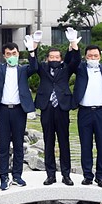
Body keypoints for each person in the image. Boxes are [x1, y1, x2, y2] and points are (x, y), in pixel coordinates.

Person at [65, 27, 102, 188]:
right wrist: (73, 46)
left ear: (100, 56)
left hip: (101, 112)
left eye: (95, 56)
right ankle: (87, 175)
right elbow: (72, 61)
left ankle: (101, 177)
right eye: (90, 56)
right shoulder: (81, 68)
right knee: (85, 145)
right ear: (86, 56)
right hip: (84, 111)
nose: (93, 58)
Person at [0, 31, 40, 191]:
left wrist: (32, 51)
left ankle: (17, 176)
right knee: (3, 146)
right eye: (8, 54)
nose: (11, 56)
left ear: (18, 53)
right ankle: (4, 177)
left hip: (19, 111)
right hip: (2, 110)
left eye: (14, 53)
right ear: (4, 55)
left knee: (18, 145)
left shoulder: (23, 70)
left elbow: (35, 67)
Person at [31, 33, 74, 186]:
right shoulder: (42, 68)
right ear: (47, 58)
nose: (54, 59)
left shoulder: (66, 68)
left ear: (60, 59)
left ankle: (66, 174)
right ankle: (50, 175)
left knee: (64, 142)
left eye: (57, 57)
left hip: (62, 108)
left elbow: (73, 60)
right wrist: (34, 45)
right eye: (51, 57)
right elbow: (33, 63)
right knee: (48, 142)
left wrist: (72, 44)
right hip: (46, 108)